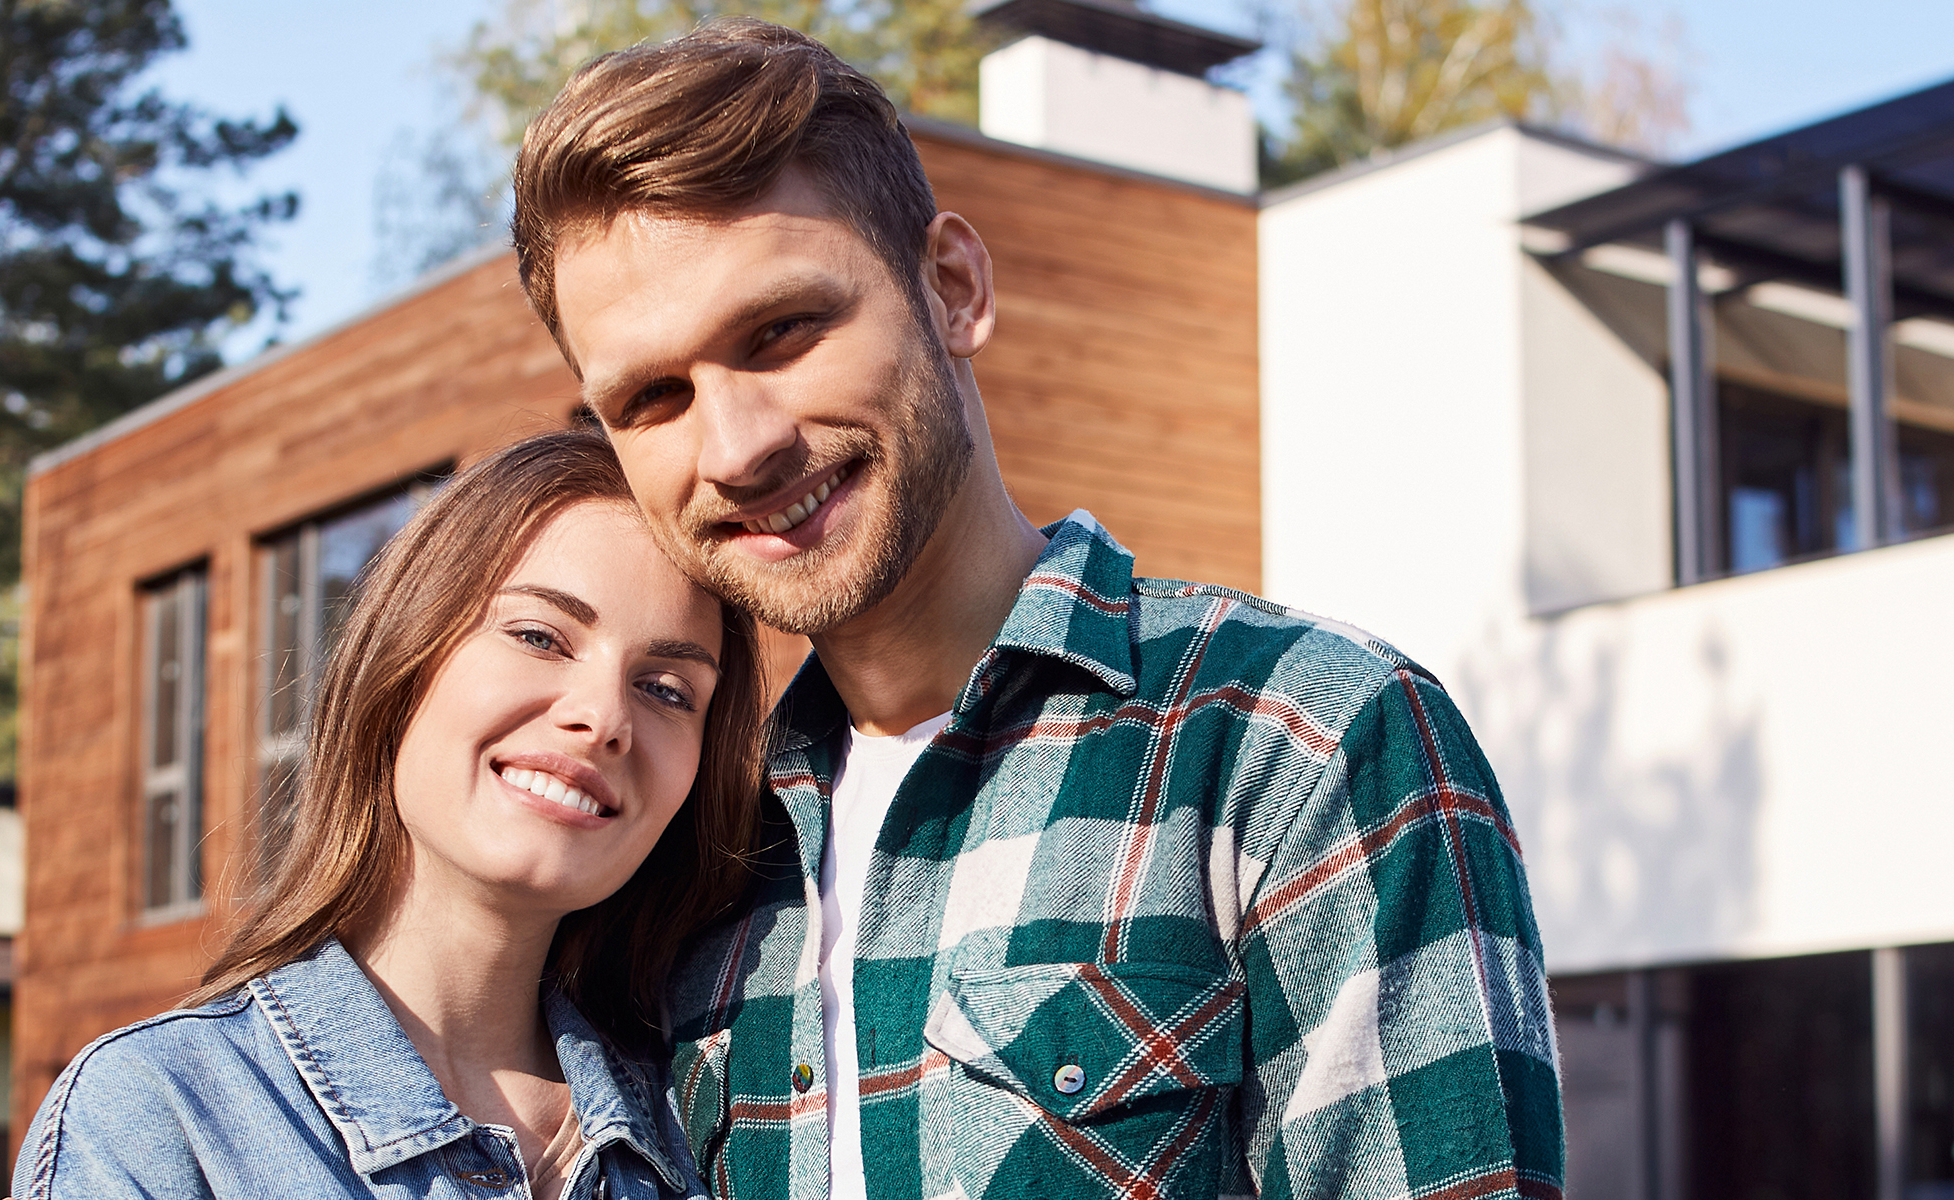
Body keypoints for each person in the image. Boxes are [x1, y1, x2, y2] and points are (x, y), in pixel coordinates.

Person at [509, 19, 1564, 1200]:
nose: (740, 446)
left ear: (952, 288)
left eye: (783, 331)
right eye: (654, 396)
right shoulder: (695, 855)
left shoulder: (1303, 747)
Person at [10, 430, 768, 1200]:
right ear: (403, 664)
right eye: (539, 636)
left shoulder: (714, 1126)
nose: (604, 717)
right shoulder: (162, 1117)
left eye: (669, 689)